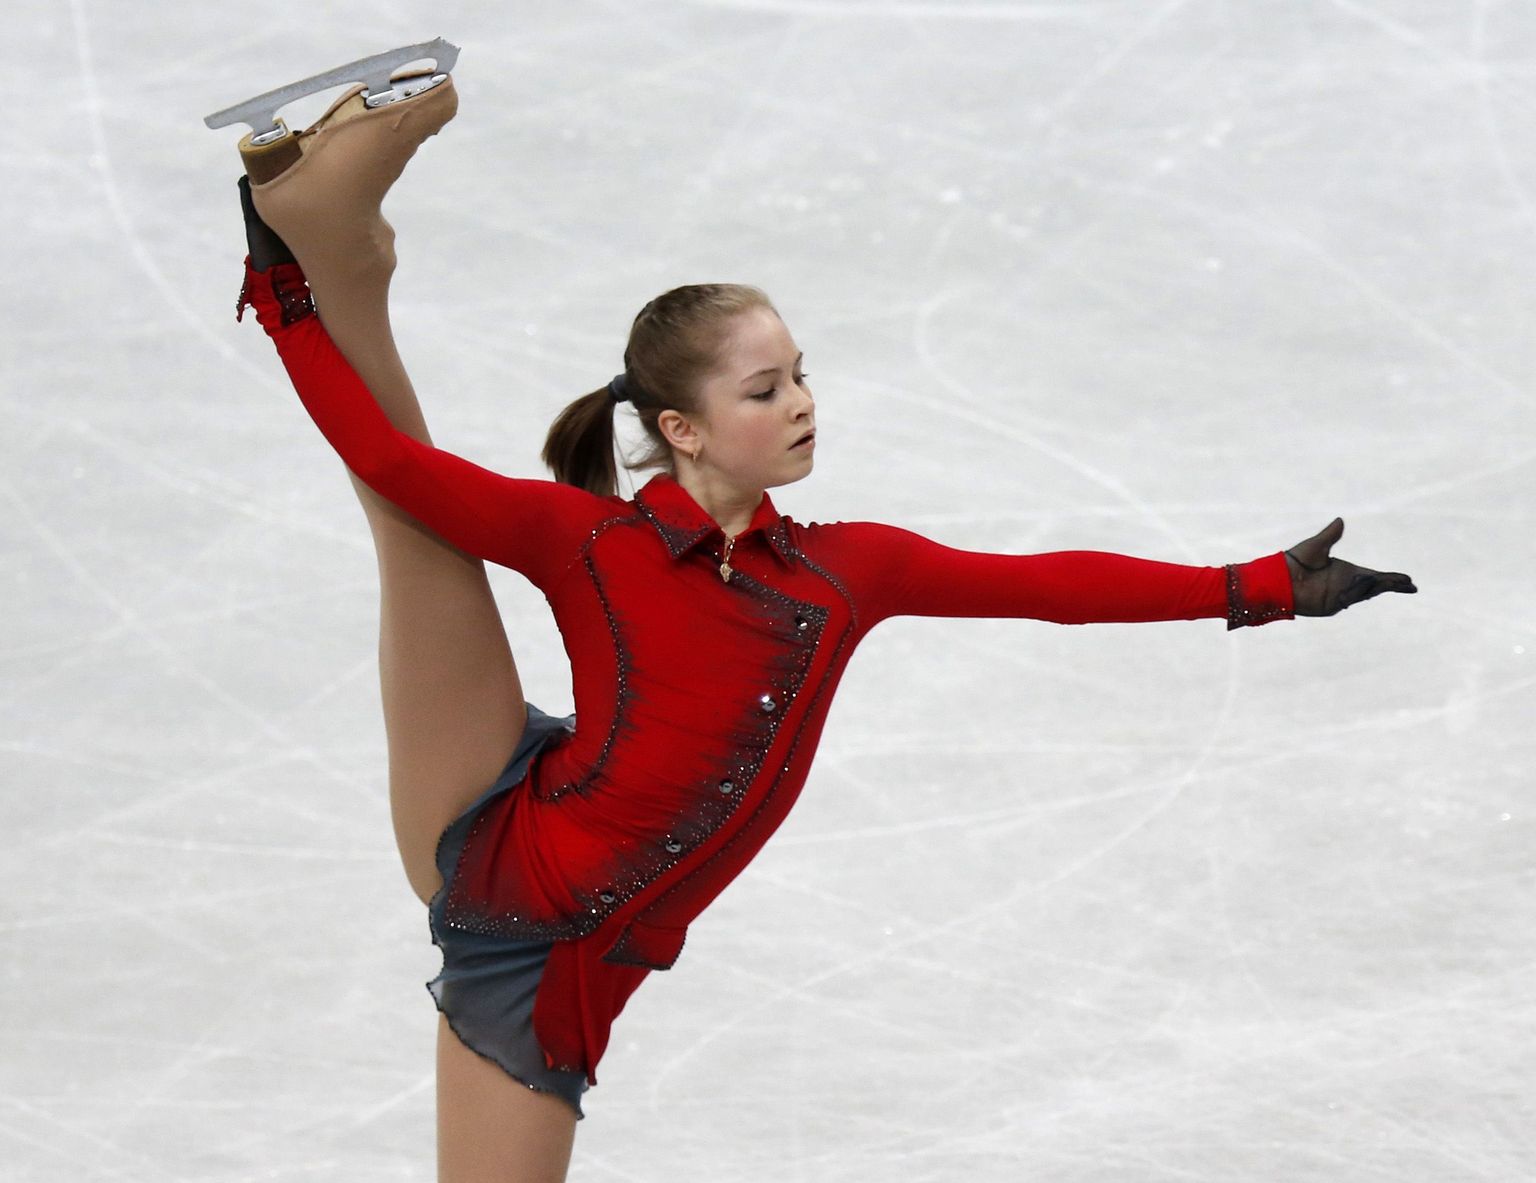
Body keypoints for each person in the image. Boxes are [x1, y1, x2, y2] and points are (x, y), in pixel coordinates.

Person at [226, 63, 1415, 1183]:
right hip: (530, 915)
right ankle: (328, 249)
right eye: (764, 389)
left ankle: (339, 243)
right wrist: (279, 299)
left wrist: (1257, 587)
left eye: (801, 373)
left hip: (569, 852)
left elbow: (1044, 584)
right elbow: (380, 453)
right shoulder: (591, 544)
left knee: (415, 532)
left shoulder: (846, 574)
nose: (802, 404)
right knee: (413, 526)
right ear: (681, 429)